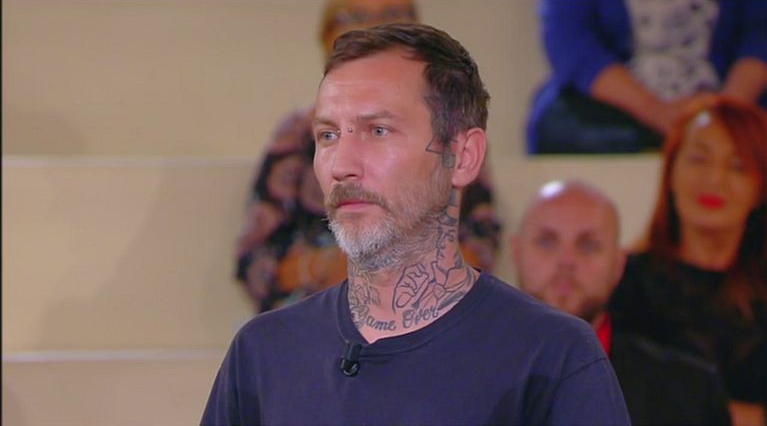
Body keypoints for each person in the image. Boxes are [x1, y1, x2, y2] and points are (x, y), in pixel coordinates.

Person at [201, 23, 630, 425]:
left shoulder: (552, 357)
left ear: (463, 157)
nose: (342, 165)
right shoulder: (263, 353)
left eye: (378, 131)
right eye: (328, 135)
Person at [236, 0, 502, 312]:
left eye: (393, 15)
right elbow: (259, 265)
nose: (375, 27)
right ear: (326, 36)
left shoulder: (450, 130)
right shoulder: (295, 136)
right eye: (328, 136)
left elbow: (479, 255)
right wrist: (329, 267)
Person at [512, 179, 732, 425]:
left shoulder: (692, 393)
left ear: (618, 266)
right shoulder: (474, 368)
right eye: (546, 241)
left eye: (588, 245)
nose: (566, 261)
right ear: (516, 253)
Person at [608, 96, 767, 426]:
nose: (714, 179)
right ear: (671, 170)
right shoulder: (623, 283)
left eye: (737, 166)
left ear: (760, 188)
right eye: (698, 159)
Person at [525, 0, 767, 154]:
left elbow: (759, 36)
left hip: (730, 101)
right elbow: (570, 40)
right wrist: (656, 111)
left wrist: (724, 114)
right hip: (623, 108)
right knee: (554, 124)